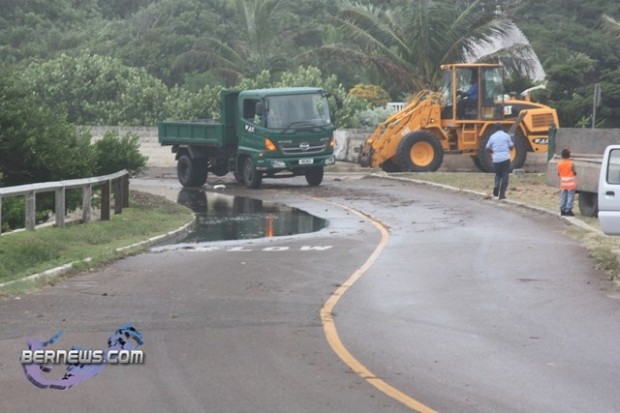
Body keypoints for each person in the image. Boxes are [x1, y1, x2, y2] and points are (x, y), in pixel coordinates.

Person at [485, 122, 514, 199]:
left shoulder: (492, 137)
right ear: (502, 128)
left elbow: (487, 148)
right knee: (505, 175)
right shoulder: (506, 136)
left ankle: (496, 189)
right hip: (505, 159)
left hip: (496, 159)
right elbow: (511, 147)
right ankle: (502, 194)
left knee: (498, 175)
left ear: (495, 128)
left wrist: (493, 152)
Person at [557, 147, 577, 216]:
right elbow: (574, 172)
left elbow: (559, 173)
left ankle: (562, 209)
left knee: (563, 196)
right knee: (570, 196)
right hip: (570, 183)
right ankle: (568, 210)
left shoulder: (559, 163)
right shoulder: (571, 163)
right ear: (569, 155)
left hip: (563, 183)